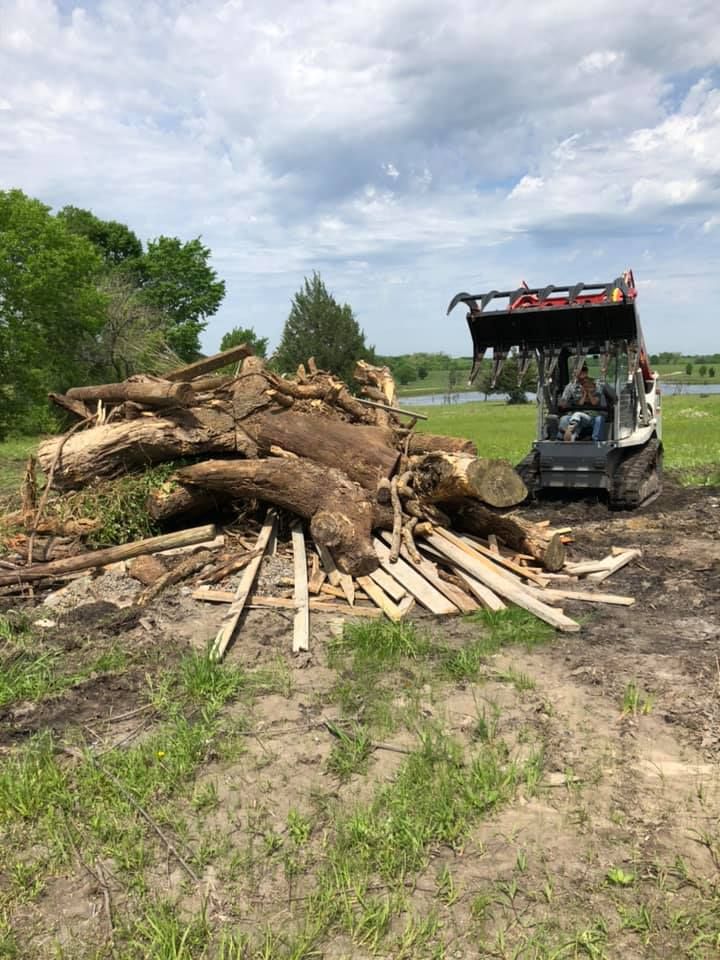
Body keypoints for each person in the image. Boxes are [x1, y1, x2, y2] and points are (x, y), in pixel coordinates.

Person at [557, 363, 615, 442]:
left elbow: (595, 402)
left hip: (593, 415)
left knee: (598, 419)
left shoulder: (597, 384)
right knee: (564, 419)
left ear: (587, 371)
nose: (582, 373)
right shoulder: (570, 386)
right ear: (575, 372)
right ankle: (564, 439)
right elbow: (564, 402)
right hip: (577, 414)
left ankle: (595, 441)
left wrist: (588, 392)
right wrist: (563, 403)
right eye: (579, 370)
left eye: (583, 370)